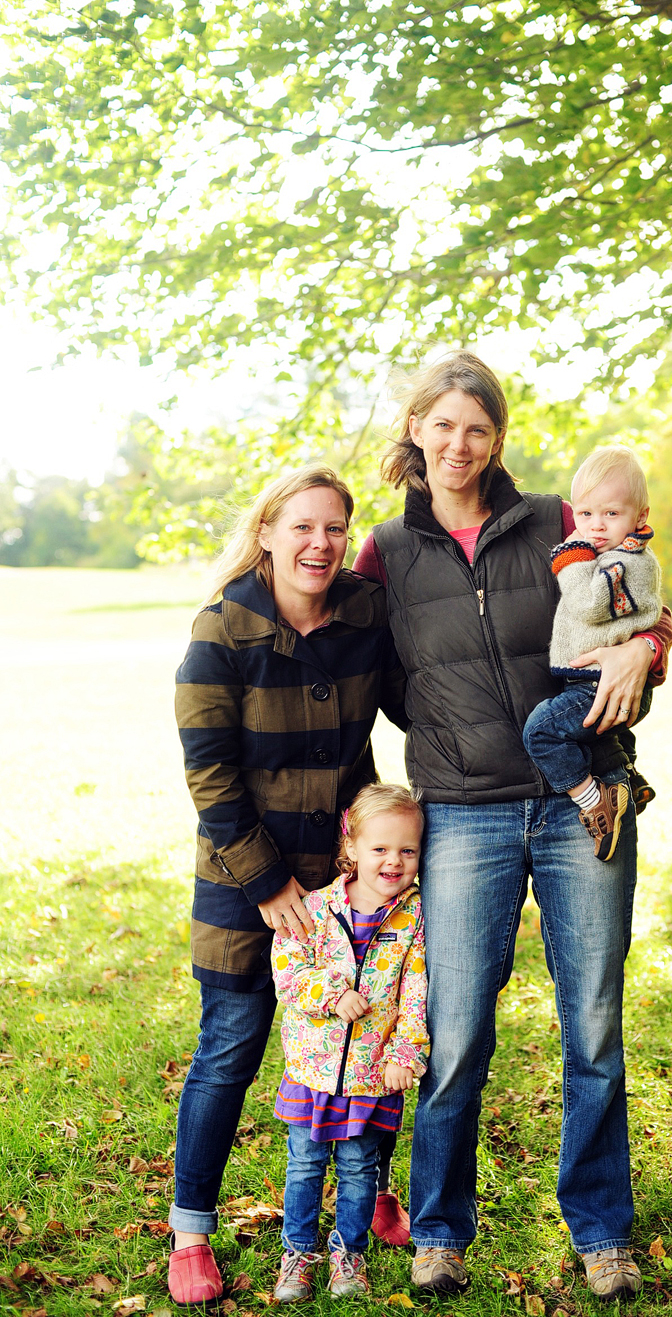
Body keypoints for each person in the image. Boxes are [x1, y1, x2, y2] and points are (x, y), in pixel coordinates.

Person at [353, 351, 672, 1302]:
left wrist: (648, 650)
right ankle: (441, 1229)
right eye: (443, 424)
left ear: (498, 438)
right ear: (416, 427)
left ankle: (602, 1230)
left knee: (594, 1026)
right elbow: (351, 652)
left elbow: (640, 589)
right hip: (462, 812)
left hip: (583, 802)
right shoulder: (386, 551)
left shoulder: (555, 522)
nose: (459, 444)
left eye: (478, 429)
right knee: (455, 1032)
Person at [169, 466, 409, 1307]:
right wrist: (271, 884)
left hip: (351, 882)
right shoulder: (221, 629)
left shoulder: (364, 613)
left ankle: (367, 1190)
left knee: (369, 1039)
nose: (320, 543)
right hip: (245, 880)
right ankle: (191, 1228)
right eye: (302, 527)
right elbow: (210, 774)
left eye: (336, 529)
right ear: (267, 532)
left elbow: (414, 699)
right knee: (231, 1046)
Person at [270, 782, 429, 1301]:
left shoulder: (415, 921)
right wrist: (331, 994)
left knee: (361, 1166)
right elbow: (288, 972)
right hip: (312, 1070)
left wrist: (405, 1054)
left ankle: (348, 1255)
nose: (394, 861)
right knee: (305, 1163)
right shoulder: (314, 911)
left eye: (407, 850)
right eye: (380, 848)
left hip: (370, 1073)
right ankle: (298, 1252)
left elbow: (416, 993)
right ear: (351, 847)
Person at [522, 445, 662, 859]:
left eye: (611, 514)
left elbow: (587, 603)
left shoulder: (628, 564)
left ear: (640, 516)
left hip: (601, 682)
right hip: (588, 678)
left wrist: (571, 558)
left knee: (542, 732)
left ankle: (594, 801)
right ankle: (629, 782)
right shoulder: (611, 555)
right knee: (607, 738)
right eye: (585, 515)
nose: (595, 527)